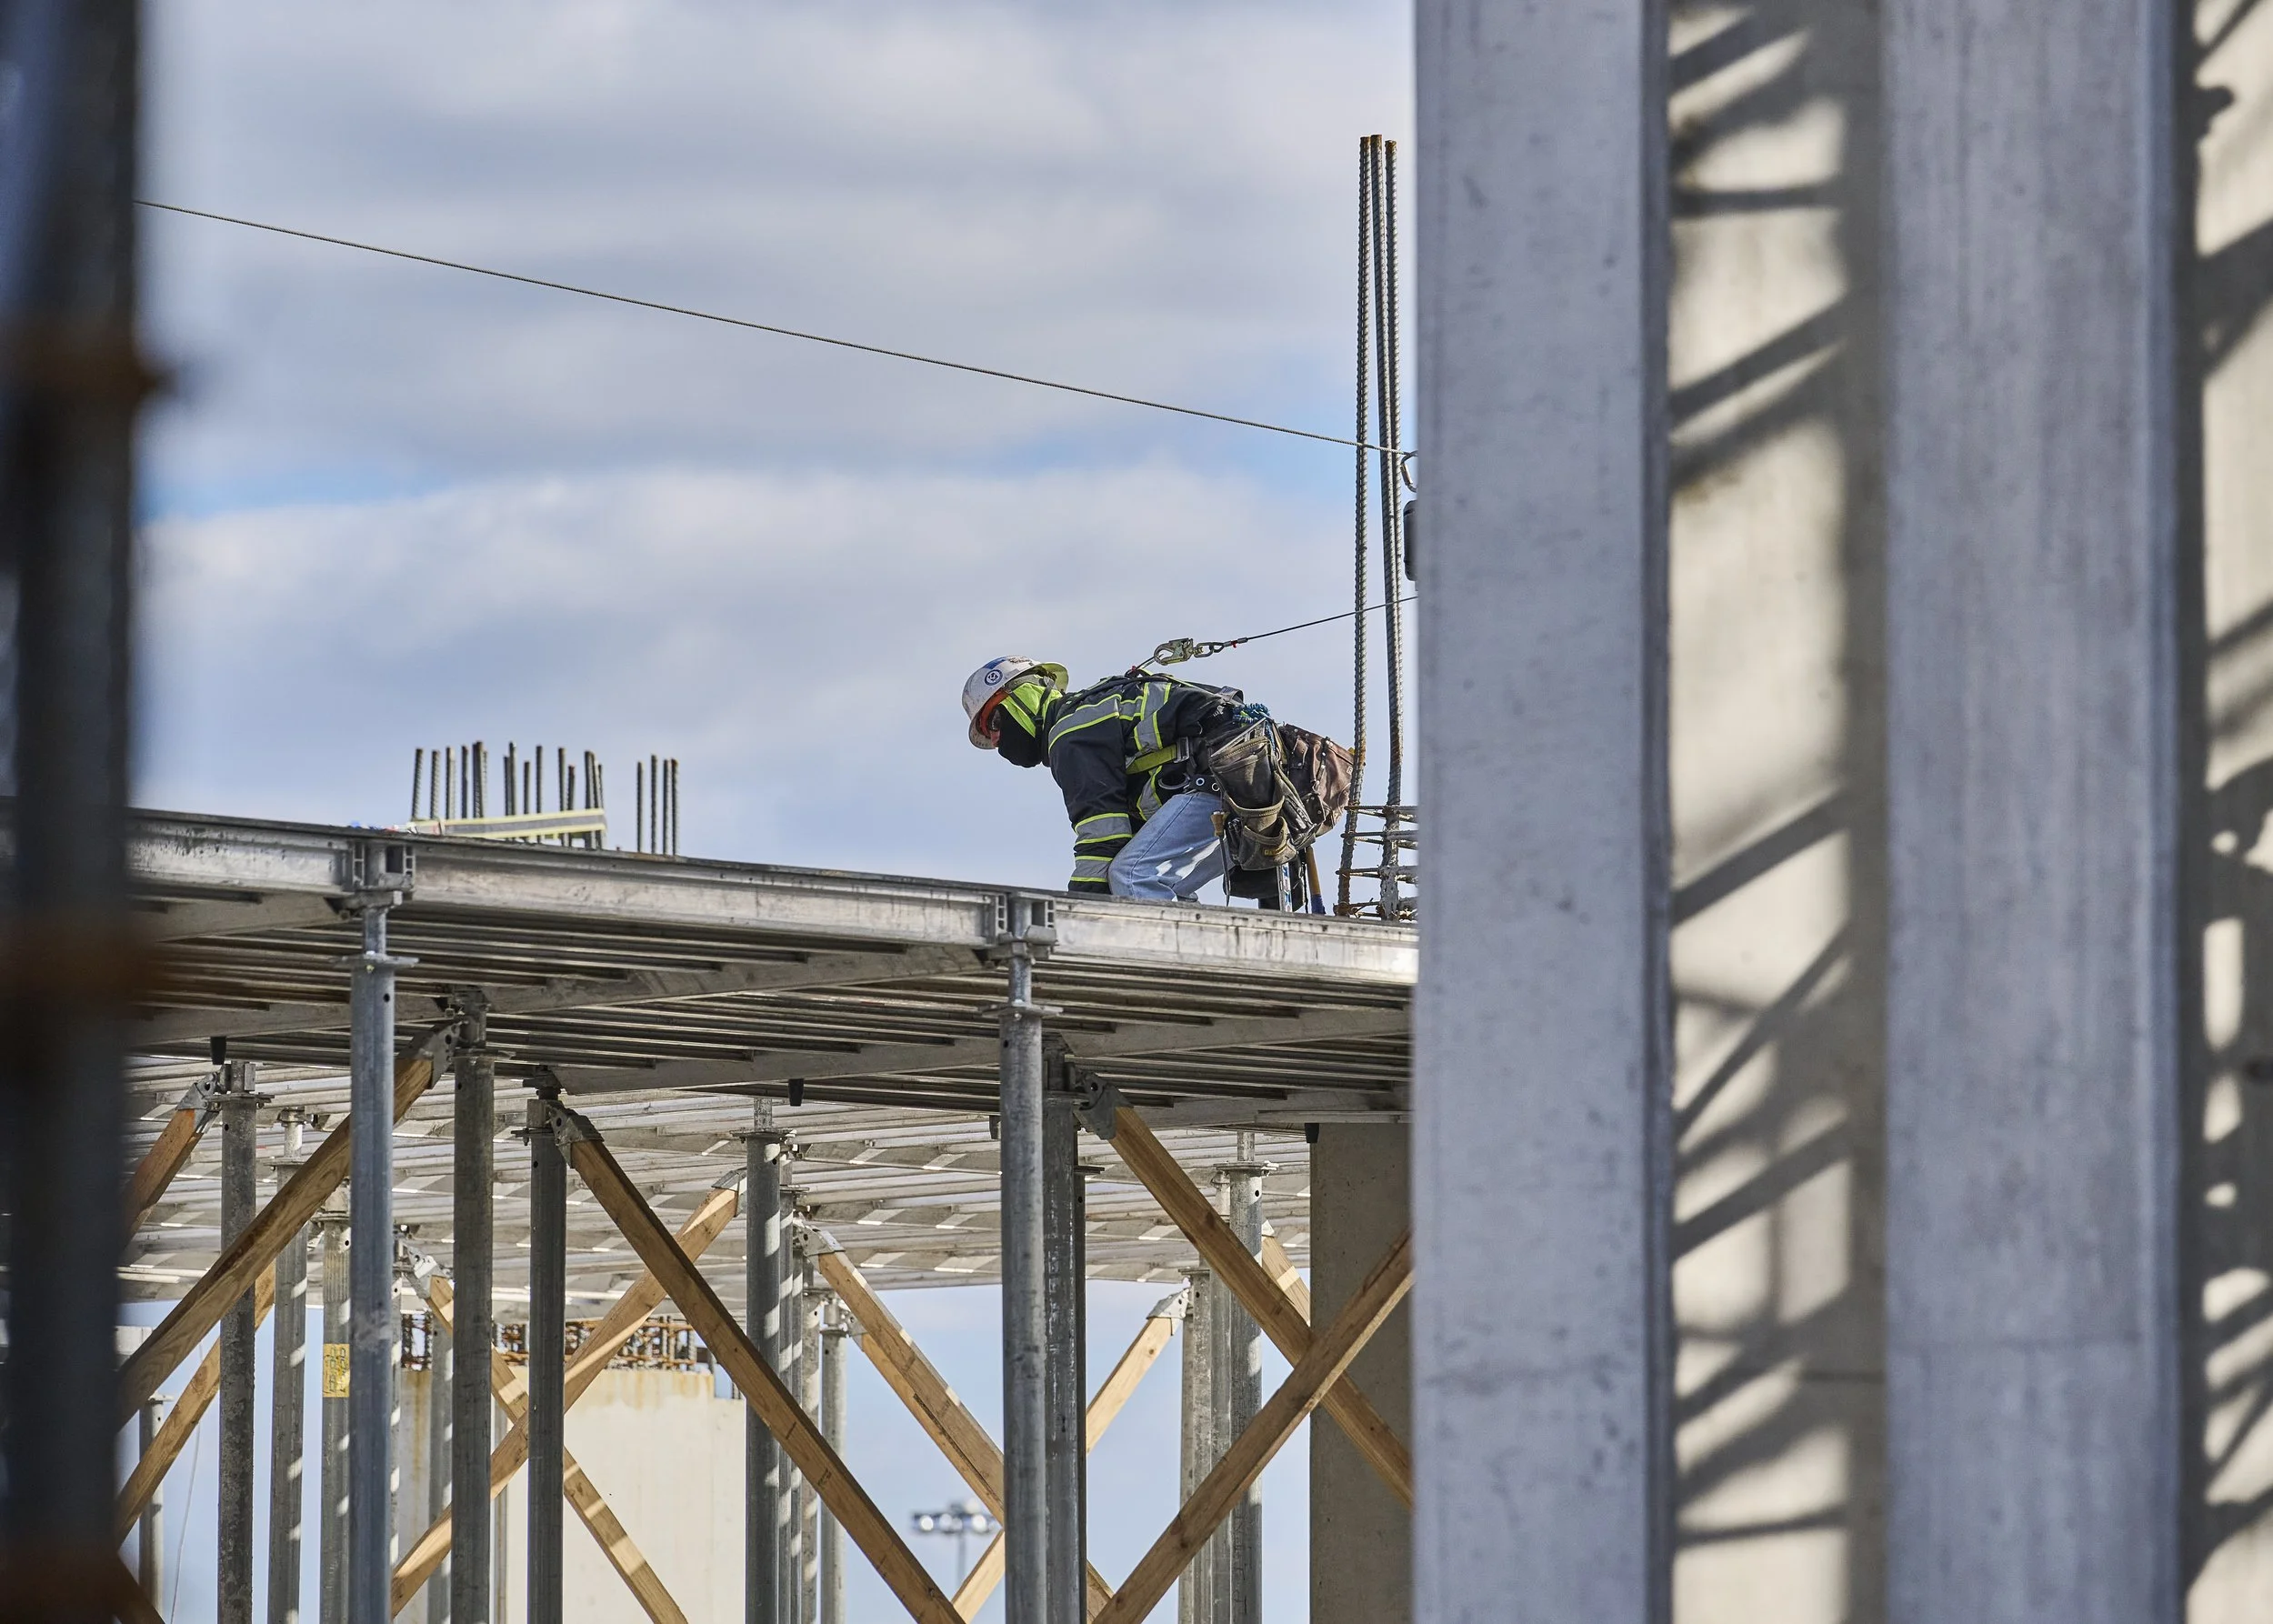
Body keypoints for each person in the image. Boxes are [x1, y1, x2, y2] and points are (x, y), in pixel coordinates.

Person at [962, 655, 1239, 900]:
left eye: (994, 722)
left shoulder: (1070, 731)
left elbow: (1102, 836)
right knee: (1160, 882)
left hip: (1225, 774)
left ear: (1024, 697)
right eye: (988, 737)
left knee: (1131, 875)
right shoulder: (1089, 714)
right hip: (1240, 777)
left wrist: (1081, 916)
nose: (996, 740)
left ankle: (1157, 956)